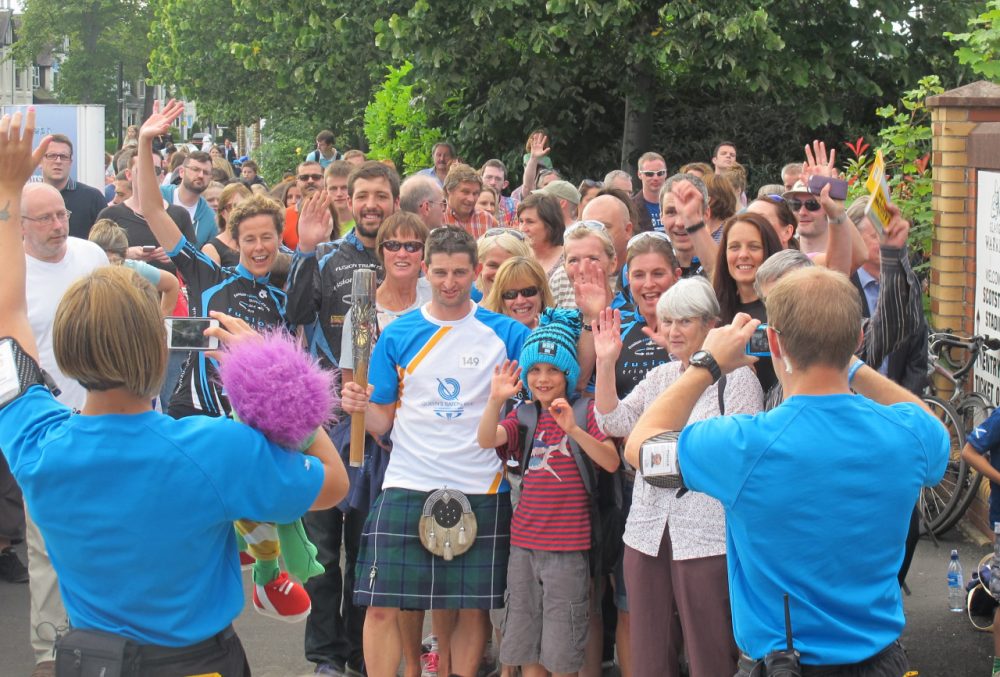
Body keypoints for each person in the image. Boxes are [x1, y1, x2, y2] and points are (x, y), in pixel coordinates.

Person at [0, 107, 349, 677]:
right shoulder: (214, 447)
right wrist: (270, 371)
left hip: (92, 662)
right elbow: (331, 484)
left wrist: (6, 194)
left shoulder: (38, 442)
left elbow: (7, 319)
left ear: (64, 350)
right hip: (195, 663)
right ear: (159, 351)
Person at [625, 266, 948, 675]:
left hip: (783, 662)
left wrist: (704, 364)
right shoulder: (909, 435)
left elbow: (640, 447)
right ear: (859, 337)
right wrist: (852, 367)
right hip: (880, 660)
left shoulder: (743, 444)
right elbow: (933, 430)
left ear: (773, 342)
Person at [343, 227, 530, 677]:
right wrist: (361, 407)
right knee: (382, 607)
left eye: (460, 272)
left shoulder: (507, 334)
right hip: (408, 480)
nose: (450, 282)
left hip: (481, 486)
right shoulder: (398, 333)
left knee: (470, 608)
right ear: (426, 271)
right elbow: (385, 423)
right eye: (441, 272)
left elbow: (523, 413)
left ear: (476, 274)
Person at [594, 278, 763, 677]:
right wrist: (605, 362)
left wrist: (654, 455)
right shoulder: (662, 376)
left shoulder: (738, 378)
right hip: (647, 530)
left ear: (710, 325)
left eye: (684, 321)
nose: (672, 331)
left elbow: (732, 458)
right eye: (666, 321)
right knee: (650, 651)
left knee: (712, 650)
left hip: (707, 532)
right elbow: (613, 420)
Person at [478, 311, 618, 677]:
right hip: (523, 548)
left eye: (553, 370)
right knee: (526, 645)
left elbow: (611, 461)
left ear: (568, 373)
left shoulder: (585, 411)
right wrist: (495, 401)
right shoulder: (523, 416)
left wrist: (573, 428)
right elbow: (484, 439)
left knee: (563, 647)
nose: (543, 379)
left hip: (569, 550)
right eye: (535, 370)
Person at [136, 101, 293, 419]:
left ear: (279, 239)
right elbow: (153, 210)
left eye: (267, 237)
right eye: (249, 239)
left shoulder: (285, 298)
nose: (259, 247)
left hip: (250, 420)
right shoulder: (208, 274)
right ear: (236, 240)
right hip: (195, 412)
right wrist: (144, 142)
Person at [18, 168, 110, 677]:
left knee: (111, 535)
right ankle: (51, 654)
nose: (59, 225)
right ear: (19, 227)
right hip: (45, 430)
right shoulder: (10, 272)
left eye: (62, 214)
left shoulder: (91, 255)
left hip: (105, 418)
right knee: (47, 546)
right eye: (46, 218)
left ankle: (110, 641)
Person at [713, 213, 782, 392]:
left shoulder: (788, 309)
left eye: (754, 247)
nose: (743, 255)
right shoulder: (712, 313)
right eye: (734, 247)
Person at [88, 219, 179, 317]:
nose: (110, 269)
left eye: (115, 262)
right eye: (103, 261)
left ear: (123, 257)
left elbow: (172, 284)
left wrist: (162, 324)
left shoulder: (135, 269)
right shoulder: (82, 268)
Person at [39, 133, 107, 239]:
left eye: (63, 157)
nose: (58, 161)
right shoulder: (28, 199)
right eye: (52, 156)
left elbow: (108, 241)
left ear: (70, 162)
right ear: (40, 161)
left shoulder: (93, 198)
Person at [517, 193, 573, 308]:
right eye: (521, 221)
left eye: (530, 222)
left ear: (550, 225)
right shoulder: (520, 257)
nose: (523, 229)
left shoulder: (569, 258)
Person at [482, 256, 554, 329]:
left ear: (542, 293)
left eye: (528, 292)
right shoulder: (489, 334)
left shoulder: (562, 332)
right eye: (510, 294)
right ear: (500, 299)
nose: (520, 301)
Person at [200, 183, 251, 267]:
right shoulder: (211, 249)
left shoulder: (257, 244)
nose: (240, 213)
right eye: (232, 207)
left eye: (245, 208)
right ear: (223, 212)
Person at [442, 162, 497, 238]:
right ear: (449, 190)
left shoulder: (488, 220)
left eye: (475, 193)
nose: (471, 199)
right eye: (465, 192)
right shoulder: (437, 219)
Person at [475, 228, 533, 301]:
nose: (501, 273)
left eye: (510, 265)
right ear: (478, 268)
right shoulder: (466, 311)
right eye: (493, 265)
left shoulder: (543, 311)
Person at [632, 152, 667, 232]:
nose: (656, 178)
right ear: (639, 174)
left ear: (666, 173)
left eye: (660, 173)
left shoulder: (677, 204)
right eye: (649, 174)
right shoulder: (630, 208)